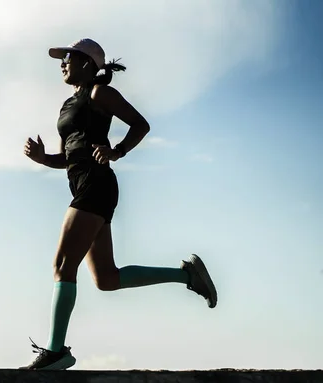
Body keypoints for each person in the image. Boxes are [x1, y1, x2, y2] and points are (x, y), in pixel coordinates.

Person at [20, 38, 218, 370]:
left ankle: (56, 352)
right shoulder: (68, 104)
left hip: (97, 185)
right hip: (83, 184)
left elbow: (141, 125)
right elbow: (69, 157)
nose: (61, 63)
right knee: (106, 279)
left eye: (68, 57)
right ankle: (187, 276)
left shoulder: (100, 93)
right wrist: (43, 159)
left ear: (87, 62)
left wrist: (118, 151)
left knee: (62, 266)